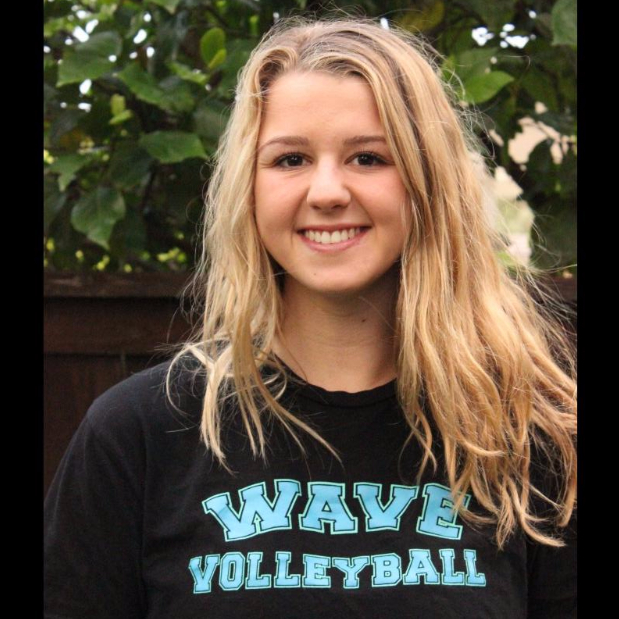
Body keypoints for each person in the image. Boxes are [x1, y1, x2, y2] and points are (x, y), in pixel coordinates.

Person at [44, 15, 577, 619]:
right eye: (291, 159)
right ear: (249, 186)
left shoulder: (531, 435)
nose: (326, 192)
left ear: (428, 184)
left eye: (368, 158)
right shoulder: (139, 433)